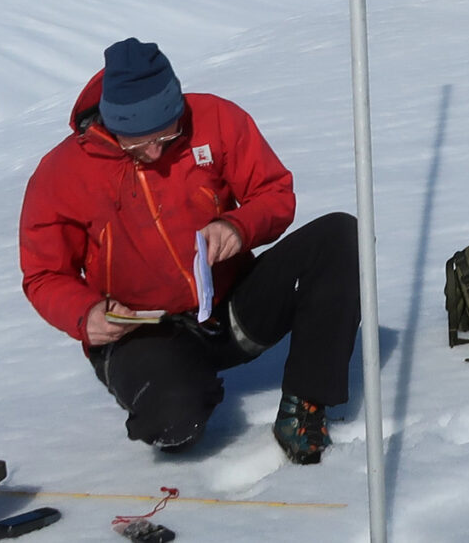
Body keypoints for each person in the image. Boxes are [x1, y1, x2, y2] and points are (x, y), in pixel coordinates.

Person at [18, 38, 360, 462]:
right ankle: (179, 388)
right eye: (139, 144)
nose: (157, 152)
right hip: (139, 331)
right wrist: (84, 314)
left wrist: (239, 225)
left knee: (340, 236)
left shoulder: (215, 119)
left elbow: (275, 194)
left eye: (168, 134)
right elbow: (43, 275)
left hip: (228, 311)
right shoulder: (61, 175)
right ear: (111, 126)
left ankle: (305, 404)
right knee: (174, 423)